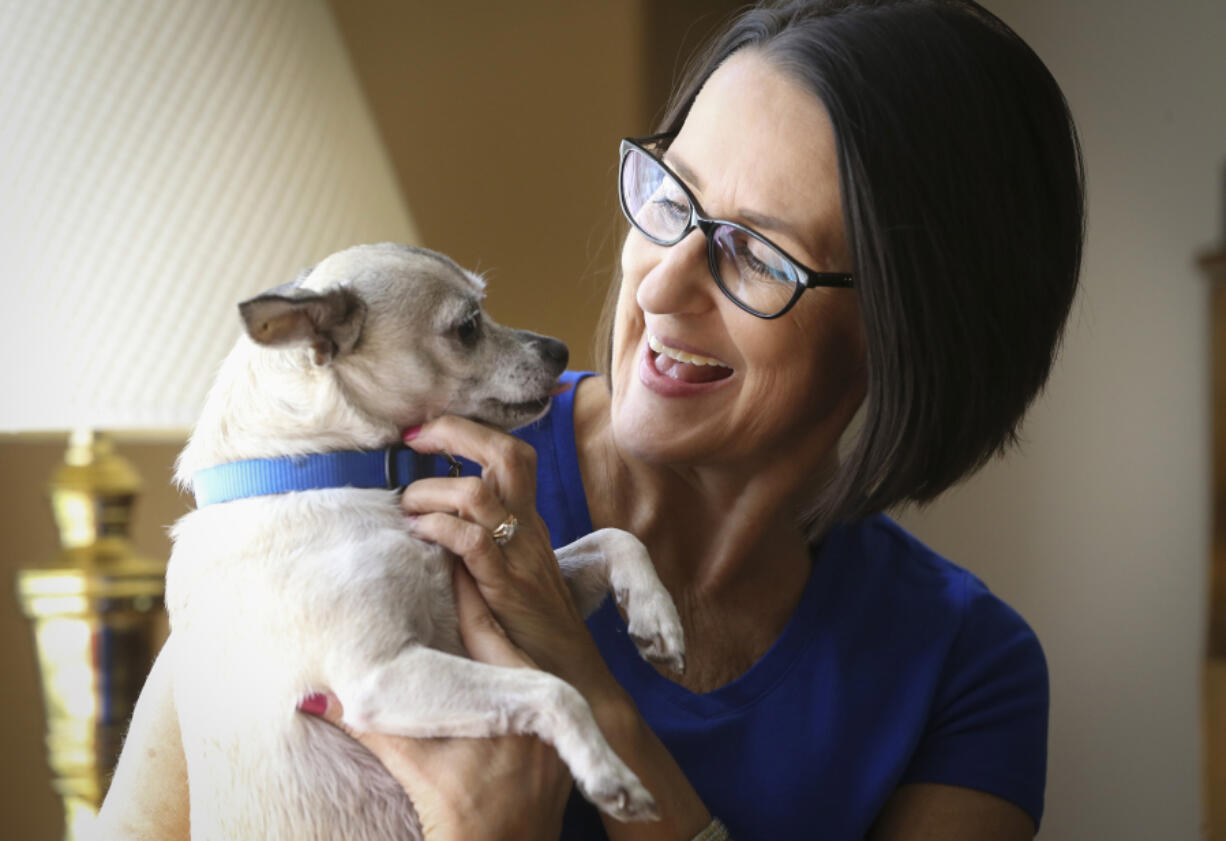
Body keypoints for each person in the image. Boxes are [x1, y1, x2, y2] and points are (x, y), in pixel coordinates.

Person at [95, 1, 1084, 839]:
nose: (660, 283)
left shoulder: (965, 670)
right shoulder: (347, 486)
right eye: (668, 193)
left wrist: (586, 689)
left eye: (755, 254)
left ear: (910, 326)